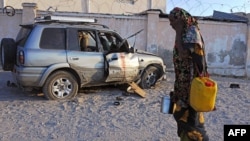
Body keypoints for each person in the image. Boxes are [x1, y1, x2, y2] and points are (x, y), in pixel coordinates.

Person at [169, 7, 209, 141]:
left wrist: (178, 30)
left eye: (173, 20)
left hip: (191, 87)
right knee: (183, 119)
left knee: (191, 121)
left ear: (181, 19)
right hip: (183, 85)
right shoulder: (185, 32)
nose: (170, 24)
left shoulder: (191, 31)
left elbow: (184, 54)